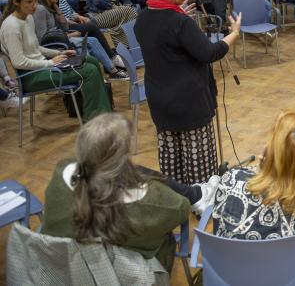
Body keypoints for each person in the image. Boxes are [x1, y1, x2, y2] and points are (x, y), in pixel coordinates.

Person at [135, 0, 242, 184]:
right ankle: (201, 208)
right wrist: (233, 34)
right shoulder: (181, 23)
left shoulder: (142, 19)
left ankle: (178, 201)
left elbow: (164, 36)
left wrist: (177, 12)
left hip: (160, 99)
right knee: (198, 164)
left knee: (172, 159)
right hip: (188, 102)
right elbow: (209, 53)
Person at [41, 113, 190, 273]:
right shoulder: (152, 202)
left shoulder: (61, 173)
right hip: (124, 277)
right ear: (126, 156)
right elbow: (182, 208)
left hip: (61, 273)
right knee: (165, 240)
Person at [212, 110, 295, 268]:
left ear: (272, 148)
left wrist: (262, 169)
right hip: (290, 278)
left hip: (231, 274)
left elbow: (218, 220)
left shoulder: (232, 179)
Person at [0, 0, 112, 119]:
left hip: (42, 67)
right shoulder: (11, 27)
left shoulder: (28, 17)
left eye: (36, 0)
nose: (34, 5)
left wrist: (58, 53)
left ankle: (102, 111)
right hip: (32, 77)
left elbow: (35, 48)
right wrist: (51, 63)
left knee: (92, 61)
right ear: (16, 1)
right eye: (29, 2)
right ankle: (96, 118)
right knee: (89, 71)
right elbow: (19, 62)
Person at [35, 0, 128, 80]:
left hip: (61, 38)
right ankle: (100, 73)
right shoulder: (40, 10)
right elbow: (42, 39)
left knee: (93, 39)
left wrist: (57, 9)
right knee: (88, 40)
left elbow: (65, 27)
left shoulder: (51, 6)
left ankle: (112, 70)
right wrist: (69, 36)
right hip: (55, 45)